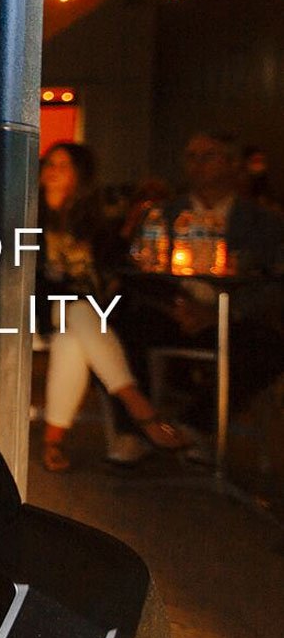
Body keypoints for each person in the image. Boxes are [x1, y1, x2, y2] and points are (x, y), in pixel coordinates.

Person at [115, 131, 284, 434]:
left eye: (208, 156)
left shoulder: (263, 222)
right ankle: (135, 431)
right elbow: (138, 271)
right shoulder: (162, 215)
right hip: (172, 312)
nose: (197, 164)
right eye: (191, 157)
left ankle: (194, 427)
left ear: (232, 164)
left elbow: (272, 282)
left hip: (231, 318)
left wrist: (223, 312)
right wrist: (176, 305)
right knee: (119, 329)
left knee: (267, 348)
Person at [36, 143, 186, 473]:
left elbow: (120, 268)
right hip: (41, 308)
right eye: (50, 163)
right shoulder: (28, 214)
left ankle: (53, 440)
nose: (53, 170)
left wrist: (174, 301)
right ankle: (140, 408)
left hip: (90, 315)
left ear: (79, 174)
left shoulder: (94, 223)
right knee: (77, 309)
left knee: (70, 340)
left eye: (63, 165)